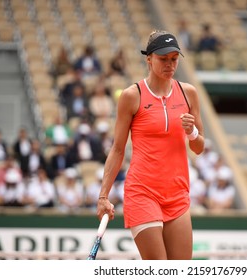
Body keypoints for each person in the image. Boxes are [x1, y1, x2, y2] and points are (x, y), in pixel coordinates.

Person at [96, 30, 205, 260]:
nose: (170, 64)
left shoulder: (189, 94)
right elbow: (117, 149)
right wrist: (103, 196)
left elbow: (198, 147)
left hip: (177, 194)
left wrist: (192, 131)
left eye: (174, 59)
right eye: (163, 59)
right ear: (149, 59)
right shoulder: (131, 95)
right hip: (142, 193)